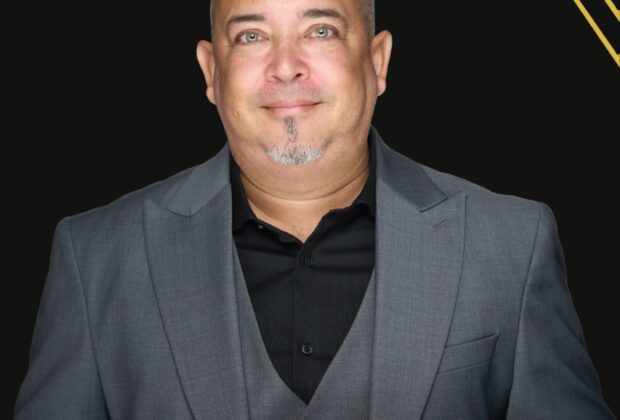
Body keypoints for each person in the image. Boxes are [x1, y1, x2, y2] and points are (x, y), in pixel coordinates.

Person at [14, 0, 616, 418]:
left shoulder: (511, 243)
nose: (284, 66)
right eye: (251, 36)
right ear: (211, 72)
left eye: (321, 30)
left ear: (377, 62)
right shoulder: (95, 257)